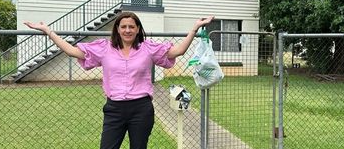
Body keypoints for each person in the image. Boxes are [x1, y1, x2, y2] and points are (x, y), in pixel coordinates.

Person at [24, 11, 214, 149]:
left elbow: (178, 51)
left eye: (132, 26)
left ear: (138, 29)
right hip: (114, 109)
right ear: (117, 29)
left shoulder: (148, 48)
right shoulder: (104, 48)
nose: (128, 30)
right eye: (123, 26)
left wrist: (194, 28)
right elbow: (72, 51)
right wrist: (48, 32)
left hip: (141, 109)